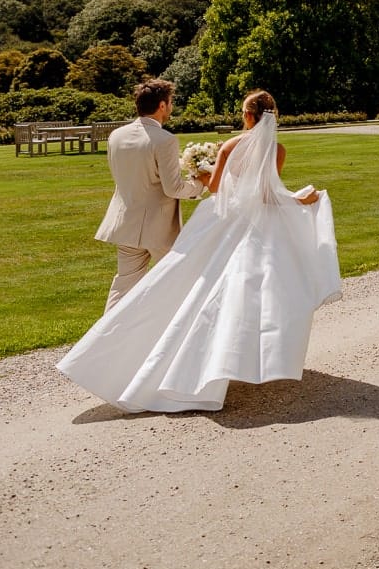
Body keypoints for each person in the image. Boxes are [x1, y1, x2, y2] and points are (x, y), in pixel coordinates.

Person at [58, 90, 340, 413]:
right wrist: (295, 199)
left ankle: (120, 349)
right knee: (243, 293)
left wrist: (203, 174)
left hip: (219, 222)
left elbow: (217, 188)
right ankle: (234, 360)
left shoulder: (230, 146)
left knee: (182, 288)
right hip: (256, 227)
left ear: (248, 116)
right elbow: (267, 192)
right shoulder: (278, 149)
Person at [96, 79, 210, 313]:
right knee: (183, 281)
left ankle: (103, 343)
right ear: (161, 105)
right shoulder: (165, 140)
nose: (171, 107)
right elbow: (174, 189)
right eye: (170, 102)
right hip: (159, 230)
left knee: (121, 290)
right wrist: (200, 184)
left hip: (125, 223)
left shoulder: (116, 136)